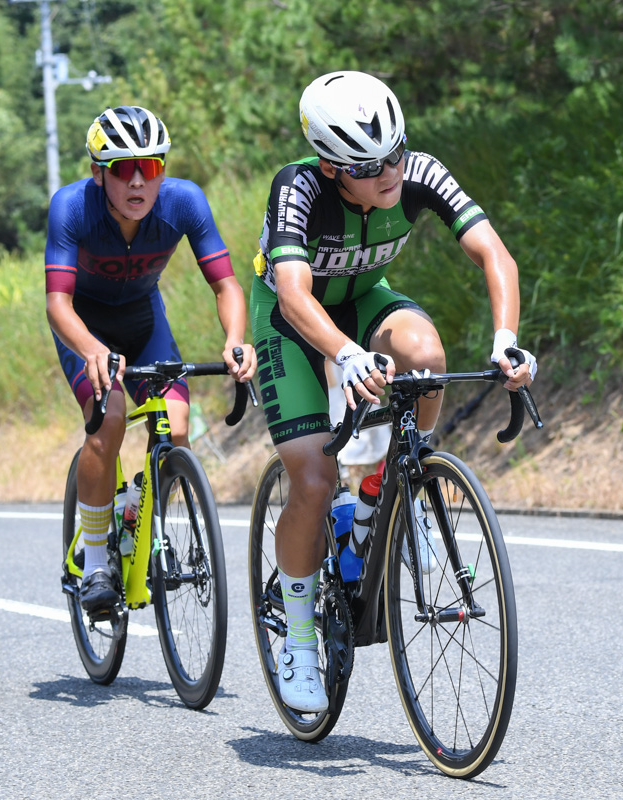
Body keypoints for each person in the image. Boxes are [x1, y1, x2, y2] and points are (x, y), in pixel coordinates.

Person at [250, 70, 537, 713]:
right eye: (370, 165)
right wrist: (344, 355)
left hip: (361, 302)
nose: (391, 173)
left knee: (425, 355)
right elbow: (294, 295)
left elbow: (496, 256)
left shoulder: (419, 172)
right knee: (316, 482)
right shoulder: (296, 188)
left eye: (397, 153)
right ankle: (297, 632)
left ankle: (387, 493)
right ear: (330, 167)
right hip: (291, 324)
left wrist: (506, 339)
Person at [46, 105, 256, 617]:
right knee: (110, 422)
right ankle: (96, 557)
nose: (139, 181)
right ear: (99, 173)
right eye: (122, 168)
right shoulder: (71, 207)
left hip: (144, 324)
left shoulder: (184, 202)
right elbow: (57, 304)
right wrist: (92, 349)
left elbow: (225, 284)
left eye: (152, 167)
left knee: (177, 427)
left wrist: (235, 340)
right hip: (86, 329)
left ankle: (137, 508)